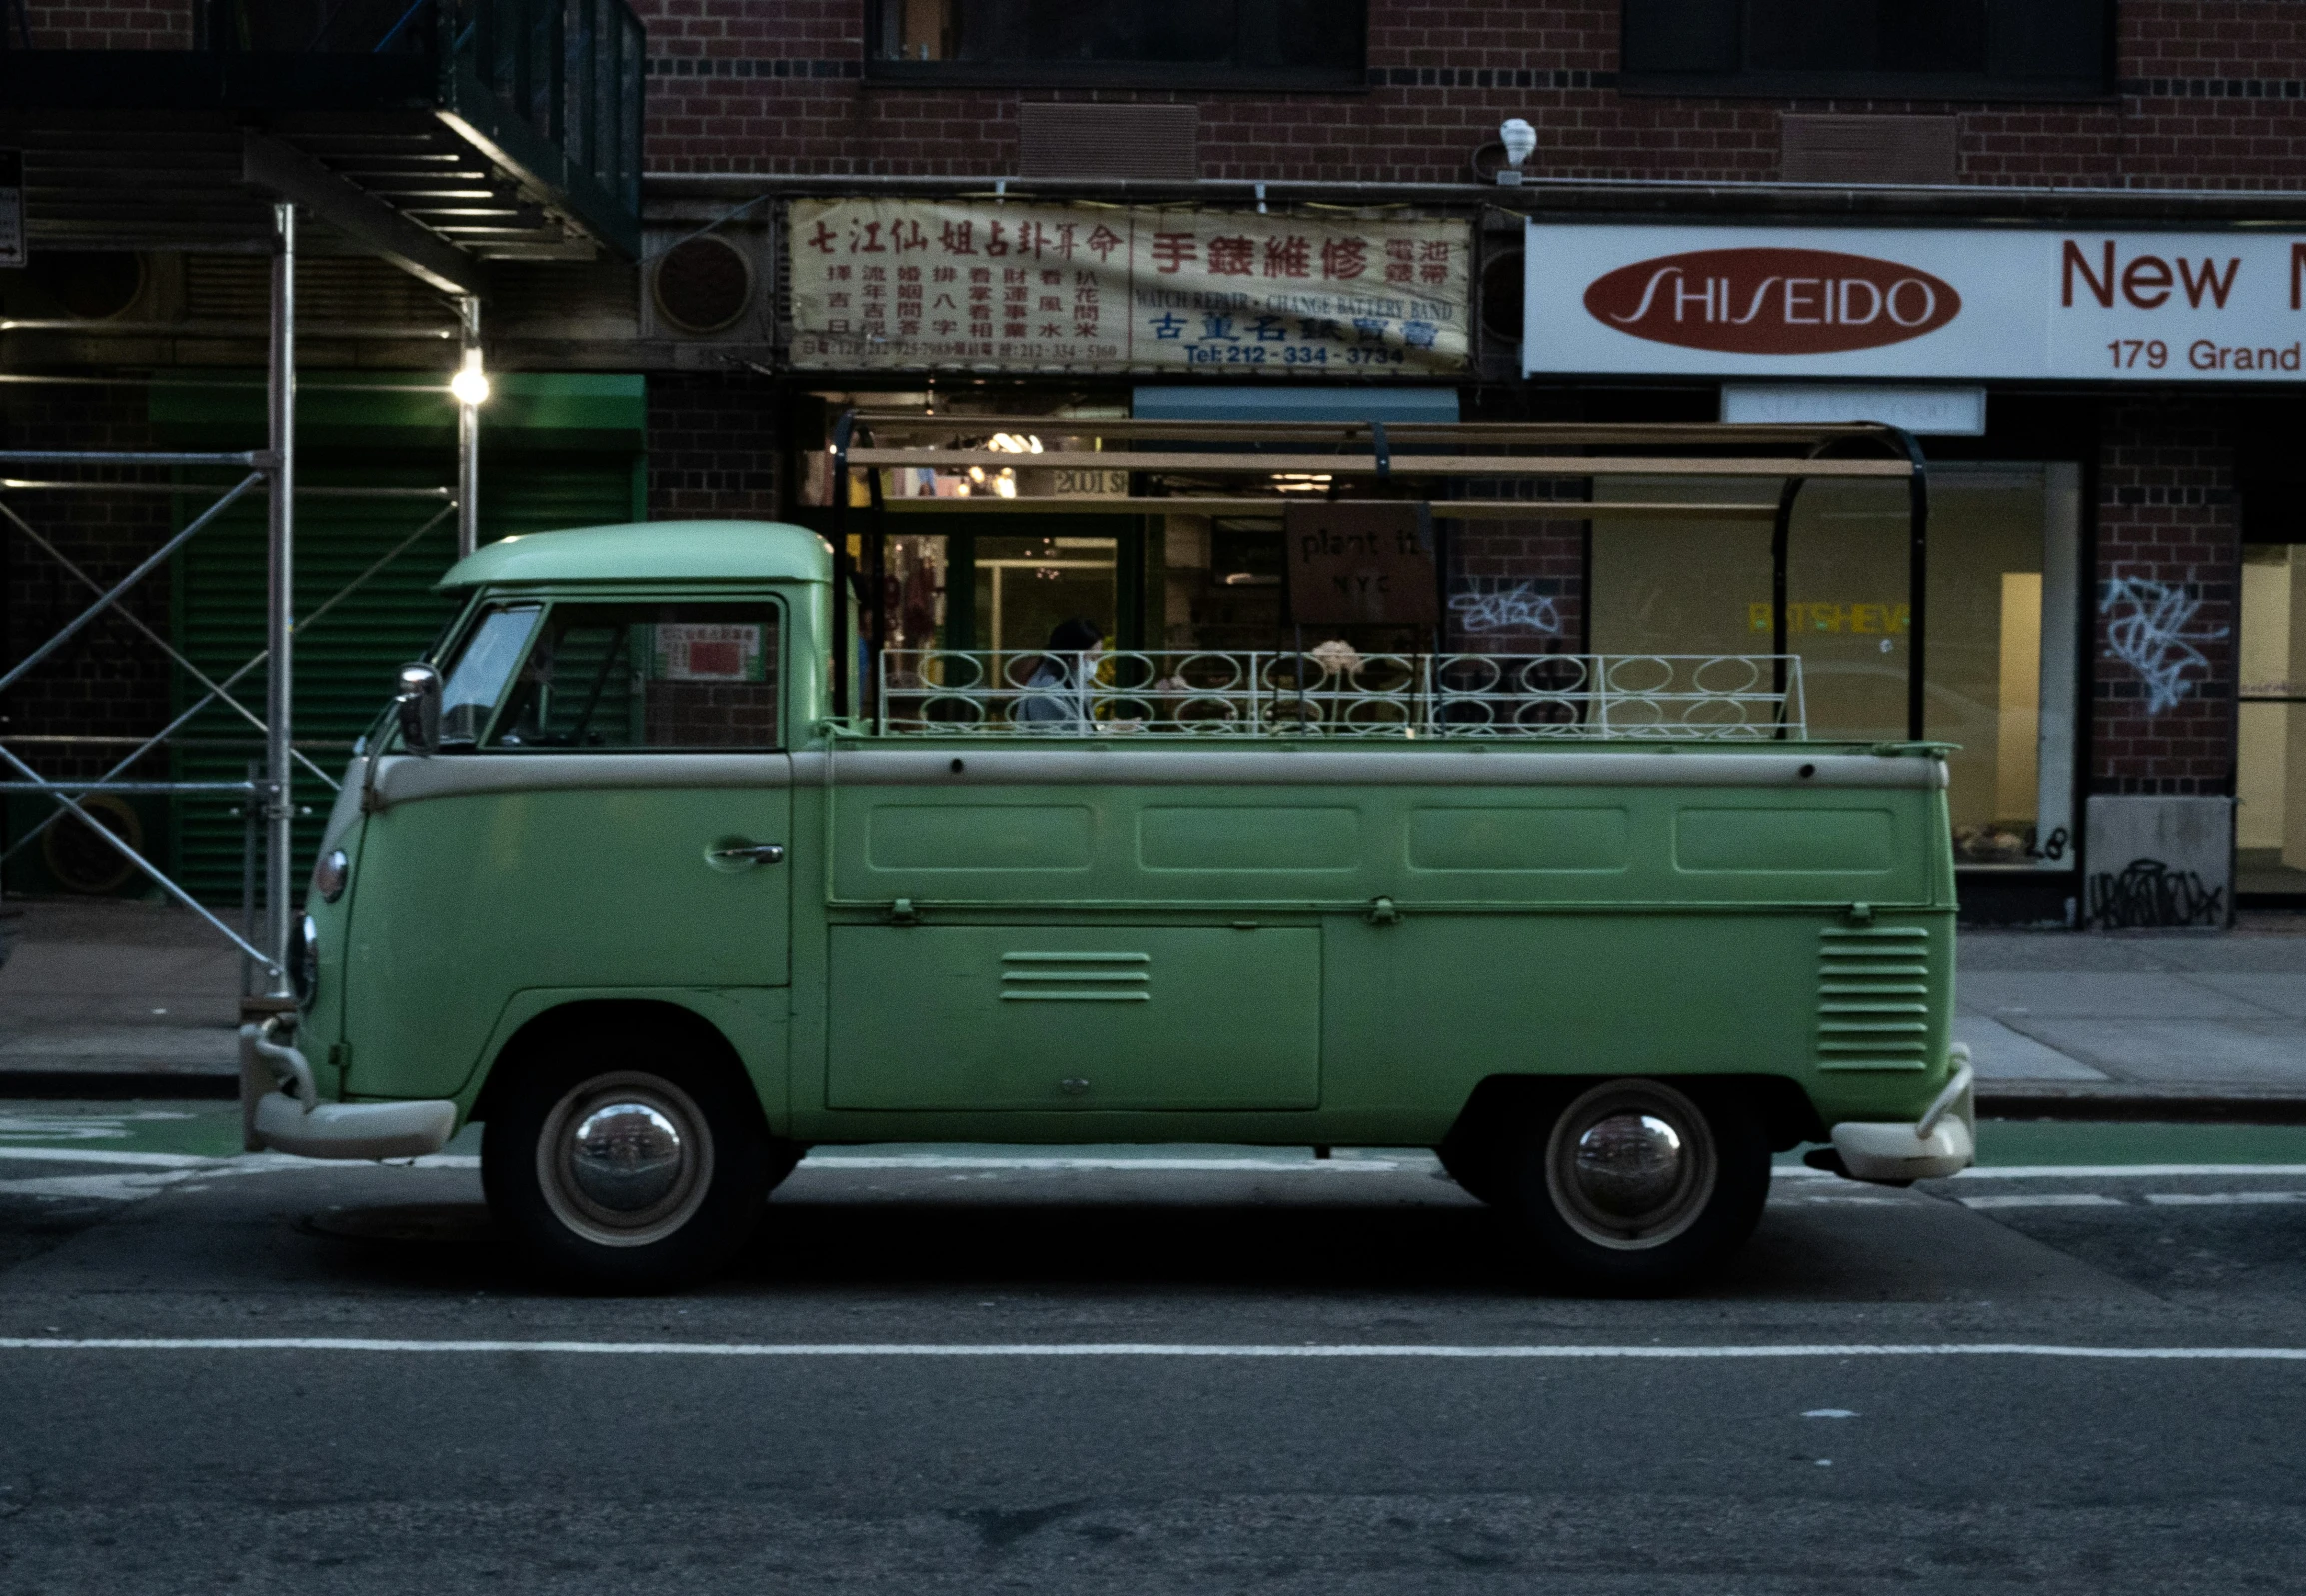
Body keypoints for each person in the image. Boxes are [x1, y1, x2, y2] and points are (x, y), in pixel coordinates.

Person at [1015, 617, 1104, 729]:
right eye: (1092, 657)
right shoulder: (1048, 687)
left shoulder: (1066, 682)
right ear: (1071, 655)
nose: (1094, 663)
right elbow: (1070, 736)